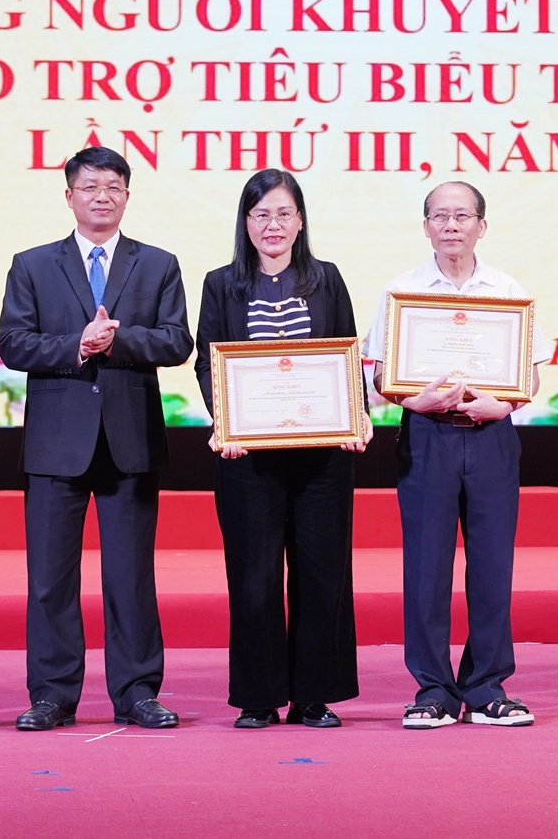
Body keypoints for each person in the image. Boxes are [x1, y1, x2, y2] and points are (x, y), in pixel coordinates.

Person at [0, 146, 194, 731]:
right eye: (89, 186)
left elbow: (177, 341)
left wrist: (118, 339)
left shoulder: (157, 264)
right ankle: (52, 695)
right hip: (56, 444)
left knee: (130, 576)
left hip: (129, 441)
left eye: (112, 186)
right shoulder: (32, 264)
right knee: (50, 579)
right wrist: (77, 346)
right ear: (69, 196)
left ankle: (136, 691)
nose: (101, 196)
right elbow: (13, 343)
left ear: (127, 196)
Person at [195, 169, 368, 728]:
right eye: (261, 214)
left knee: (322, 573)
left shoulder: (327, 279)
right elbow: (208, 363)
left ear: (300, 221)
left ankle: (313, 695)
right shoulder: (221, 284)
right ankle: (259, 696)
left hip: (322, 458)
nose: (273, 225)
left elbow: (346, 352)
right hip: (248, 459)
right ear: (246, 223)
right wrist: (226, 421)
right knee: (254, 577)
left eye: (284, 213)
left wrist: (357, 414)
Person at [366, 181, 537, 728]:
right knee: (426, 568)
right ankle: (434, 690)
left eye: (462, 216)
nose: (451, 225)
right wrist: (412, 400)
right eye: (440, 216)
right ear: (426, 227)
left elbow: (530, 376)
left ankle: (487, 686)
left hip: (491, 439)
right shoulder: (402, 291)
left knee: (492, 566)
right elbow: (380, 376)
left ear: (481, 226)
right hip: (427, 436)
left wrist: (504, 403)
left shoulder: (507, 290)